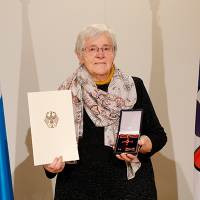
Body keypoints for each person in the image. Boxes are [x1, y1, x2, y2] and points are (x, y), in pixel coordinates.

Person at [44, 24, 167, 200]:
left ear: (113, 53)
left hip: (130, 191)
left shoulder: (133, 87)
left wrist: (141, 143)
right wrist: (49, 167)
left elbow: (158, 135)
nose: (100, 54)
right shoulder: (66, 93)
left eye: (106, 48)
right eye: (92, 49)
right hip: (77, 191)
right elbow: (52, 151)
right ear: (80, 55)